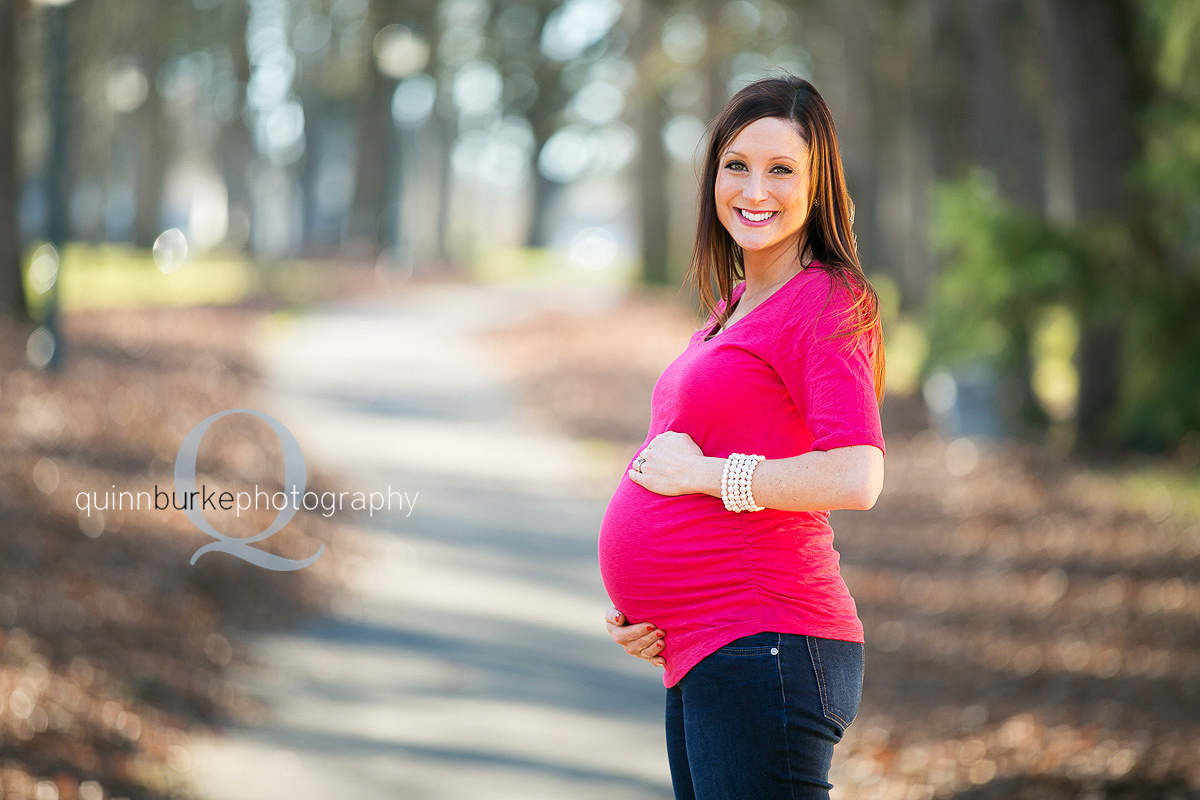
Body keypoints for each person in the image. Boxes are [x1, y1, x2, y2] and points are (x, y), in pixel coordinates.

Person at [597, 75, 886, 800]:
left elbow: (856, 475)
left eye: (782, 169)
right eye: (737, 166)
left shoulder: (823, 298)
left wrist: (710, 477)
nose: (755, 189)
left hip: (768, 642)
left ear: (818, 186)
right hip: (710, 645)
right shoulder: (735, 305)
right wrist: (651, 612)